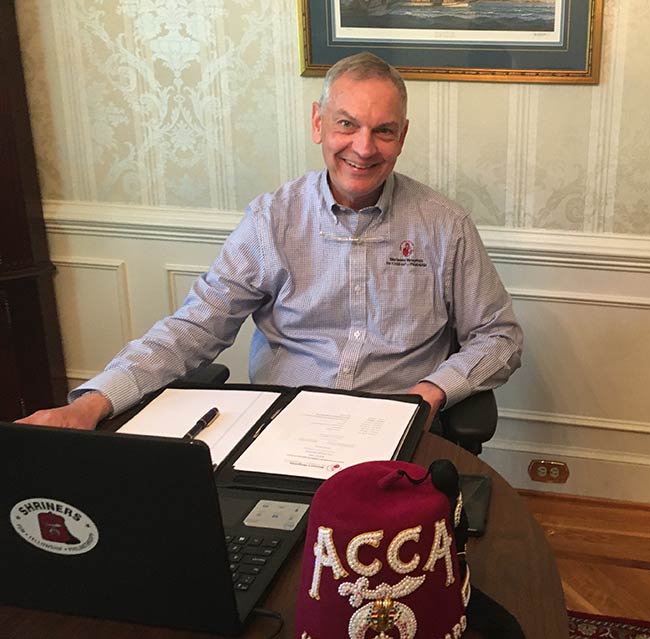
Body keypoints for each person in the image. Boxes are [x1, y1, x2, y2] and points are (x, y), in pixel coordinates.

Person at [19, 52, 522, 432]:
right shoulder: (271, 219)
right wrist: (89, 403)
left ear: (403, 136)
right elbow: (194, 329)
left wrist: (431, 393)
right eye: (347, 124)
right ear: (318, 123)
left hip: (395, 424)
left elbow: (499, 337)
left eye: (383, 131)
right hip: (283, 424)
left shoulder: (445, 225)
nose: (364, 148)